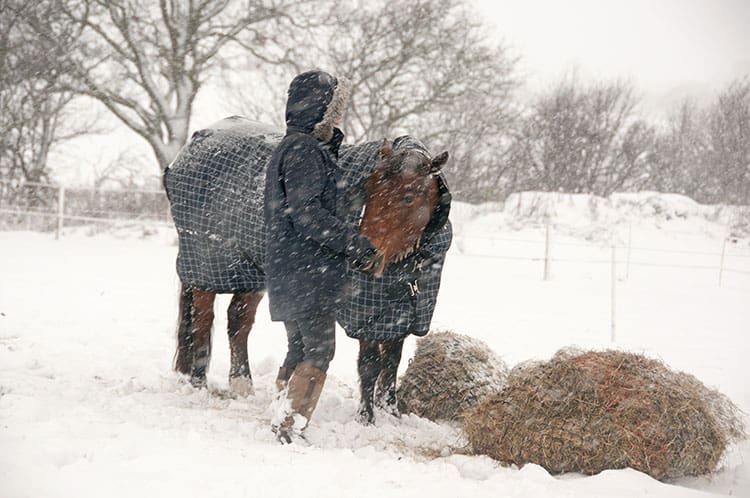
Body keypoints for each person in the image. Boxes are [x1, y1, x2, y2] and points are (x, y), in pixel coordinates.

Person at [264, 70, 377, 443]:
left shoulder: (297, 147)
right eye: (334, 111)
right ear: (319, 111)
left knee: (300, 346)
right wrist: (354, 242)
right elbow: (307, 213)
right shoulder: (303, 151)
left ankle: (282, 414)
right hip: (305, 269)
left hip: (293, 267)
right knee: (320, 348)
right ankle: (290, 425)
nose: (339, 119)